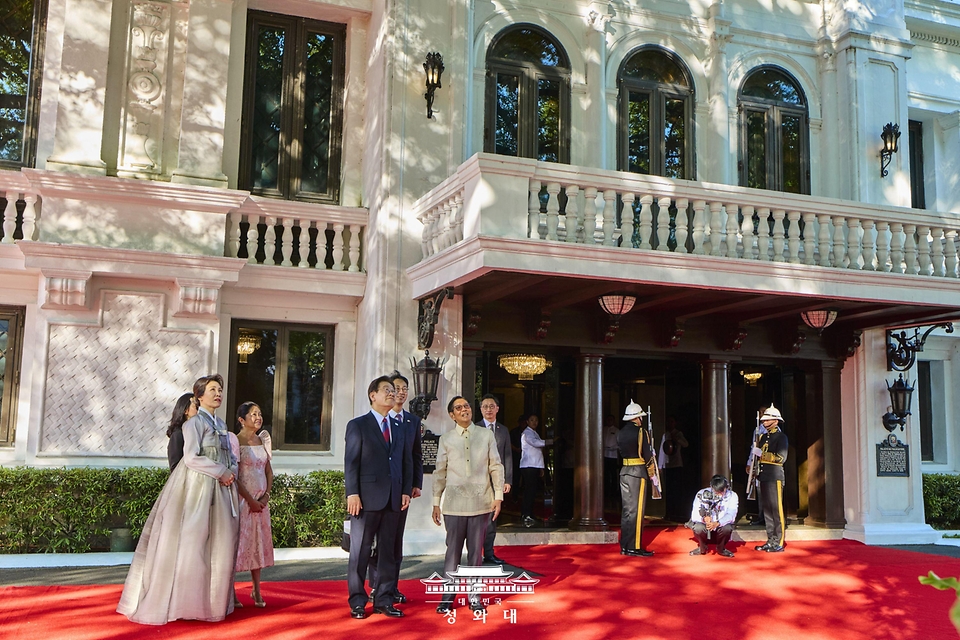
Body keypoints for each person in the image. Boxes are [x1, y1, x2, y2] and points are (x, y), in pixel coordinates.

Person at [117, 374, 240, 625]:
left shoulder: (221, 424)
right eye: (213, 390)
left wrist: (232, 471)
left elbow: (230, 457)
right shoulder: (193, 424)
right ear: (200, 396)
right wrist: (221, 472)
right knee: (193, 545)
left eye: (220, 389)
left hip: (223, 489)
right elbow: (191, 457)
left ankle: (212, 602)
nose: (218, 394)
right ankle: (186, 602)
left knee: (220, 544)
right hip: (199, 489)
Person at [344, 376, 411, 620]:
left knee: (387, 553)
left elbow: (404, 461)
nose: (392, 393)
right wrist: (352, 493)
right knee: (360, 552)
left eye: (393, 390)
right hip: (365, 499)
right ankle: (358, 601)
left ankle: (383, 599)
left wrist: (404, 490)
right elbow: (351, 462)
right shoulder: (358, 425)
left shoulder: (399, 426)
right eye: (387, 390)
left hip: (393, 499)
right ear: (373, 395)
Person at [433, 396, 504, 614]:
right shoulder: (445, 439)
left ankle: (474, 597)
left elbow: (496, 466)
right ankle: (448, 597)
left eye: (466, 406)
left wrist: (498, 495)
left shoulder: (486, 435)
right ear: (452, 415)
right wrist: (436, 502)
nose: (464, 410)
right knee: (452, 552)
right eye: (458, 408)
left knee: (476, 553)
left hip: (481, 502)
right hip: (453, 505)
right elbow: (440, 473)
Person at [367, 371, 423, 604]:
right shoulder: (375, 420)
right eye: (395, 388)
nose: (399, 393)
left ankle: (391, 587)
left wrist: (414, 485)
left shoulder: (412, 422)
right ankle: (375, 586)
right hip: (378, 491)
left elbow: (415, 456)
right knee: (375, 543)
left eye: (403, 389)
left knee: (394, 541)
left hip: (401, 490)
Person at [233, 402, 274, 608]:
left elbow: (268, 471)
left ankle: (256, 589)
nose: (258, 417)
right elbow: (235, 475)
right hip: (243, 501)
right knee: (238, 543)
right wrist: (250, 500)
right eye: (253, 414)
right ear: (242, 420)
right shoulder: (234, 441)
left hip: (261, 502)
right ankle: (231, 591)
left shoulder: (263, 439)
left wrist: (265, 497)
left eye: (259, 413)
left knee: (258, 545)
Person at [617, 400, 657, 557]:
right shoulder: (641, 432)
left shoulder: (620, 433)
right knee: (637, 511)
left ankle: (625, 545)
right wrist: (652, 474)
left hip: (624, 471)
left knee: (627, 510)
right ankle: (634, 546)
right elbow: (647, 455)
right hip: (637, 472)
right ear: (637, 417)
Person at [477, 393, 512, 564]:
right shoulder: (474, 428)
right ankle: (475, 553)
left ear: (497, 409)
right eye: (485, 406)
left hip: (496, 481)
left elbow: (507, 456)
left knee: (492, 520)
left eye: (492, 406)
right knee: (476, 519)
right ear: (480, 409)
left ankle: (489, 553)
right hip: (477, 481)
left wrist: (507, 480)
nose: (488, 409)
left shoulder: (503, 430)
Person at [753, 404, 789, 553]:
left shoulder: (781, 437)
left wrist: (761, 454)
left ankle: (778, 542)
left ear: (775, 421)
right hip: (764, 476)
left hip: (775, 477)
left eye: (767, 420)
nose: (764, 422)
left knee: (776, 510)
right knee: (767, 510)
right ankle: (770, 540)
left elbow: (781, 458)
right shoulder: (762, 437)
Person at [687, 475, 739, 557]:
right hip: (705, 527)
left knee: (727, 528)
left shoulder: (733, 496)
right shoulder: (701, 494)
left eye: (722, 491)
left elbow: (731, 515)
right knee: (698, 527)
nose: (719, 494)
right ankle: (702, 547)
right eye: (716, 491)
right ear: (711, 487)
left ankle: (721, 549)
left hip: (720, 527)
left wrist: (718, 523)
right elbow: (694, 514)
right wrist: (704, 518)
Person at [658, 416, 689, 522]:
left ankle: (678, 512)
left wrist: (677, 439)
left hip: (677, 464)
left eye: (672, 421)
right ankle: (669, 512)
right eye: (669, 422)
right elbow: (662, 450)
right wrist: (660, 465)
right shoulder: (665, 435)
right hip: (667, 464)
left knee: (677, 490)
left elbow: (686, 444)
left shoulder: (678, 433)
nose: (670, 424)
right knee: (669, 490)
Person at [519, 414, 548, 527]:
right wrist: (550, 442)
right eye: (532, 420)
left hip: (535, 465)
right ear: (527, 421)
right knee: (529, 491)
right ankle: (525, 514)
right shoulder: (527, 433)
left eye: (536, 420)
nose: (534, 422)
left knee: (532, 491)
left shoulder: (534, 433)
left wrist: (541, 467)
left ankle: (529, 513)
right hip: (528, 465)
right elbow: (536, 443)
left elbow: (538, 452)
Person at [166, 393, 197, 471]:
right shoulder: (178, 434)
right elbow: (174, 466)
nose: (199, 410)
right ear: (186, 410)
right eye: (196, 407)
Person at [602, 415, 620, 507]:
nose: (609, 421)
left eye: (611, 419)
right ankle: (605, 492)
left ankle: (613, 492)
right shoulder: (603, 429)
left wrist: (612, 448)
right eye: (608, 419)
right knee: (605, 474)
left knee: (613, 475)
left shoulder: (617, 431)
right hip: (604, 455)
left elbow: (619, 444)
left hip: (612, 455)